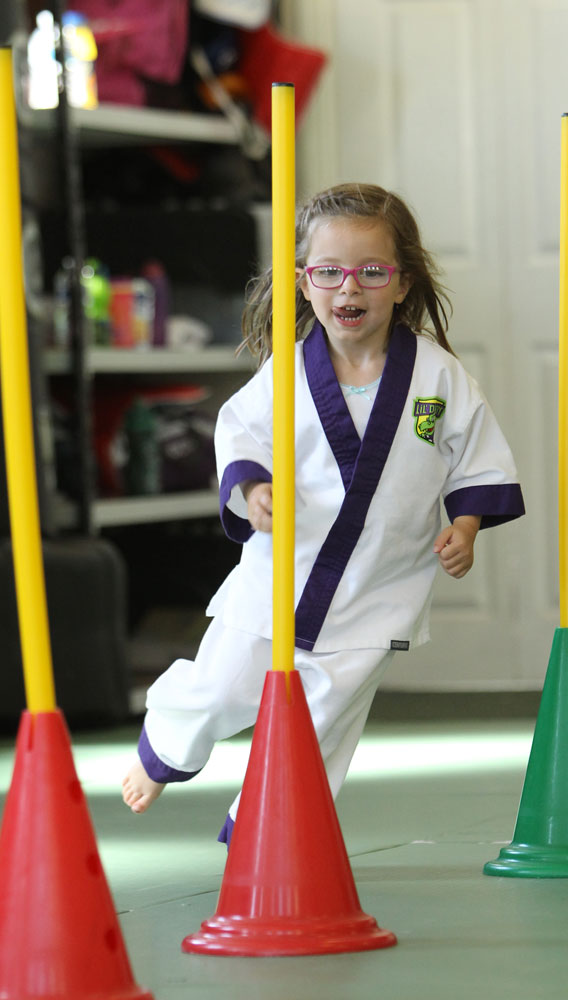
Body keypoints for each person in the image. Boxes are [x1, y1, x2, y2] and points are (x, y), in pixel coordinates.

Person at [122, 182, 525, 842]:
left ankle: (265, 827)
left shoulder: (437, 378)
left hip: (377, 588)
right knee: (221, 690)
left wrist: (465, 525)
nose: (349, 289)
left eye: (371, 272)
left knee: (323, 719)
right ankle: (164, 748)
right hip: (277, 579)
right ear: (304, 283)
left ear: (400, 283)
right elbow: (241, 432)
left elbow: (474, 456)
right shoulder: (287, 373)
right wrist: (253, 490)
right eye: (329, 273)